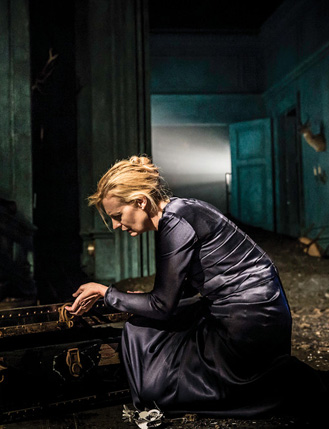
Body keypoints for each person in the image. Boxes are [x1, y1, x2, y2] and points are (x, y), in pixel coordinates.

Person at [66, 155, 311, 417]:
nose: (116, 225)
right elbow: (184, 289)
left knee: (156, 384)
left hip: (250, 325)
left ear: (140, 201)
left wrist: (106, 292)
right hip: (260, 314)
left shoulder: (175, 222)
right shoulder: (182, 209)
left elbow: (162, 306)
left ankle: (277, 381)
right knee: (149, 324)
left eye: (117, 216)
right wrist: (138, 301)